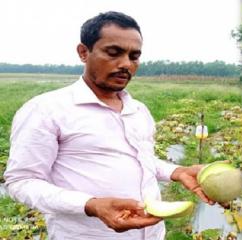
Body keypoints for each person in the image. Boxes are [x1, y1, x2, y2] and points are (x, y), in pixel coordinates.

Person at [4, 11, 214, 239]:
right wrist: (91, 205)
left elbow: (140, 159)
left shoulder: (138, 110)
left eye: (134, 56)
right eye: (113, 53)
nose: (126, 64)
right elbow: (21, 181)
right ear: (84, 52)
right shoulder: (46, 109)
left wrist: (177, 171)